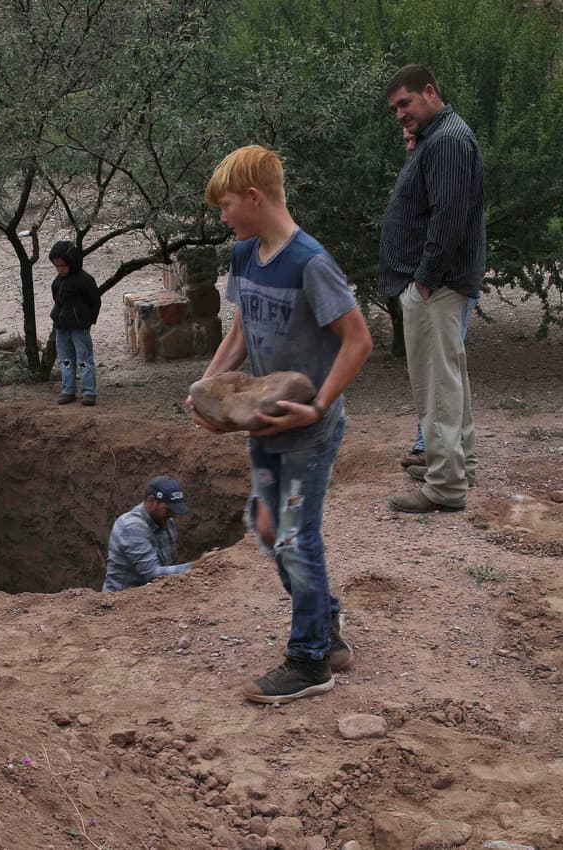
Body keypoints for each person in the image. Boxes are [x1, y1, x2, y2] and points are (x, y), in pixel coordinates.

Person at [188, 145, 373, 705]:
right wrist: (205, 389)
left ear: (254, 197)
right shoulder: (246, 255)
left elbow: (358, 341)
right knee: (269, 529)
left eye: (225, 206)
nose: (221, 217)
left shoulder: (310, 262)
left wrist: (317, 406)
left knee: (295, 534)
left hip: (309, 429)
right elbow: (242, 334)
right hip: (264, 424)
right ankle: (328, 629)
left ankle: (310, 660)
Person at [382, 68, 484, 510]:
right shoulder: (439, 138)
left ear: (430, 92)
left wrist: (423, 279)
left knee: (437, 383)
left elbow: (448, 217)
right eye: (395, 110)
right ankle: (456, 464)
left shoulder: (446, 141)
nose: (400, 114)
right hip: (439, 285)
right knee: (449, 377)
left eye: (405, 103)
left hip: (435, 287)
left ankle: (445, 487)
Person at [102, 476, 193, 592]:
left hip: (153, 597)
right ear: (151, 501)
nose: (172, 514)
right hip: (119, 602)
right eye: (168, 509)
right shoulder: (131, 527)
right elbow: (152, 573)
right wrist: (194, 566)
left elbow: (169, 566)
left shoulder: (167, 522)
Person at [49, 241, 102, 406]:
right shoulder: (58, 281)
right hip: (61, 328)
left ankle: (89, 392)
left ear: (72, 262)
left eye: (63, 266)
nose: (60, 270)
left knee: (84, 360)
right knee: (66, 360)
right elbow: (57, 301)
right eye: (57, 267)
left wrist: (88, 321)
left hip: (80, 329)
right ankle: (68, 391)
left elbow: (95, 301)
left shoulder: (85, 280)